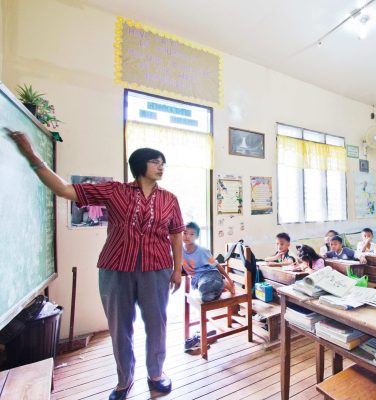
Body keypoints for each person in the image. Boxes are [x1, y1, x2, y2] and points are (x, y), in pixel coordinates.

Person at [8, 130, 183, 399]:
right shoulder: (115, 190)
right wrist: (32, 157)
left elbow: (176, 233)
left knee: (157, 324)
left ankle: (156, 374)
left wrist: (177, 269)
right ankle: (124, 381)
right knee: (119, 327)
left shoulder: (170, 199)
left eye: (163, 163)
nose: (161, 166)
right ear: (140, 165)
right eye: (156, 161)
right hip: (115, 270)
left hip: (157, 269)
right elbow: (64, 189)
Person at [182, 222, 235, 302]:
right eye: (185, 233)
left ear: (197, 237)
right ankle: (220, 285)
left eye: (192, 234)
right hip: (198, 279)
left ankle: (223, 283)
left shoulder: (202, 251)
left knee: (207, 289)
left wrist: (229, 279)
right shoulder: (179, 251)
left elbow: (216, 265)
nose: (187, 236)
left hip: (210, 274)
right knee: (206, 297)